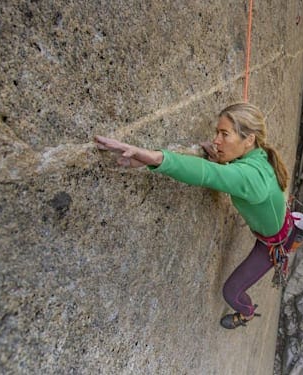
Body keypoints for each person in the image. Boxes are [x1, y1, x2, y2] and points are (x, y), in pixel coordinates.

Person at [94, 102, 292, 329]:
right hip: (282, 226)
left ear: (249, 139)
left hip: (274, 244)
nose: (216, 140)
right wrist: (225, 160)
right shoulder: (259, 155)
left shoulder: (252, 178)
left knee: (231, 292)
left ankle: (246, 313)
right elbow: (232, 172)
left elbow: (208, 174)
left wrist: (152, 157)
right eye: (217, 132)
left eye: (224, 134)